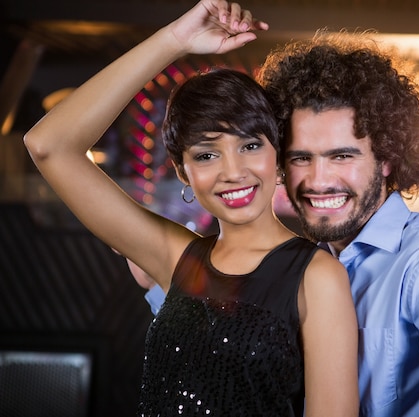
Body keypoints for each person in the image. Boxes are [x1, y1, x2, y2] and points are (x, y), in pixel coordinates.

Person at [135, 20, 419, 417]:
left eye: (342, 156)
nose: (318, 181)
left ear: (388, 157)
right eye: (302, 158)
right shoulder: (306, 262)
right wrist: (163, 285)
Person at [23, 2, 359, 416]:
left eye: (250, 146)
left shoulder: (317, 276)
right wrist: (175, 41)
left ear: (278, 157)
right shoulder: (175, 256)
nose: (232, 172)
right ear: (183, 172)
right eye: (205, 156)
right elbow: (48, 145)